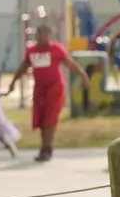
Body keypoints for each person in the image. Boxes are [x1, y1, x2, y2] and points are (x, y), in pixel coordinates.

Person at [5, 24, 89, 162]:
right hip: (39, 89)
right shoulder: (32, 51)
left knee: (50, 117)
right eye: (39, 33)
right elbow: (24, 66)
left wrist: (83, 76)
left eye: (45, 33)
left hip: (54, 88)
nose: (42, 36)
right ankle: (44, 146)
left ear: (50, 35)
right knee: (41, 118)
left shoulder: (56, 49)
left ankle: (47, 147)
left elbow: (70, 63)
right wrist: (13, 82)